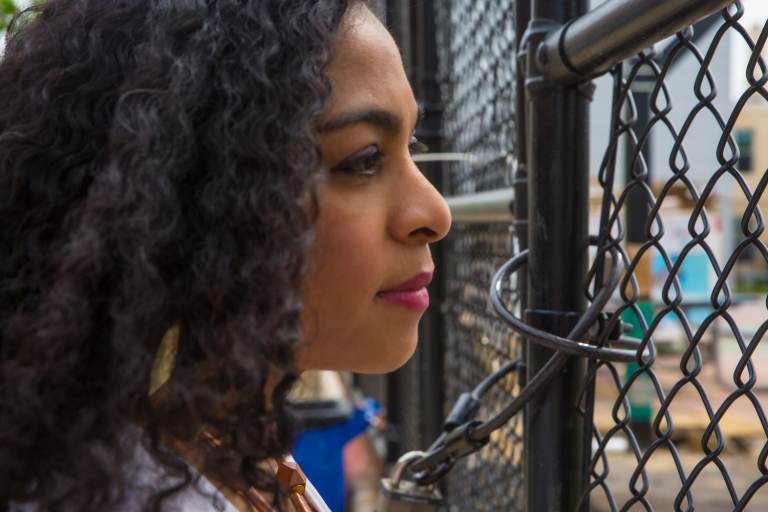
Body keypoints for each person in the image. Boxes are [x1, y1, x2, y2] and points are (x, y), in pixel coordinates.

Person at [0, 0, 450, 510]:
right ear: (192, 195)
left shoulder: (212, 444)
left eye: (411, 145)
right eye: (364, 159)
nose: (435, 212)